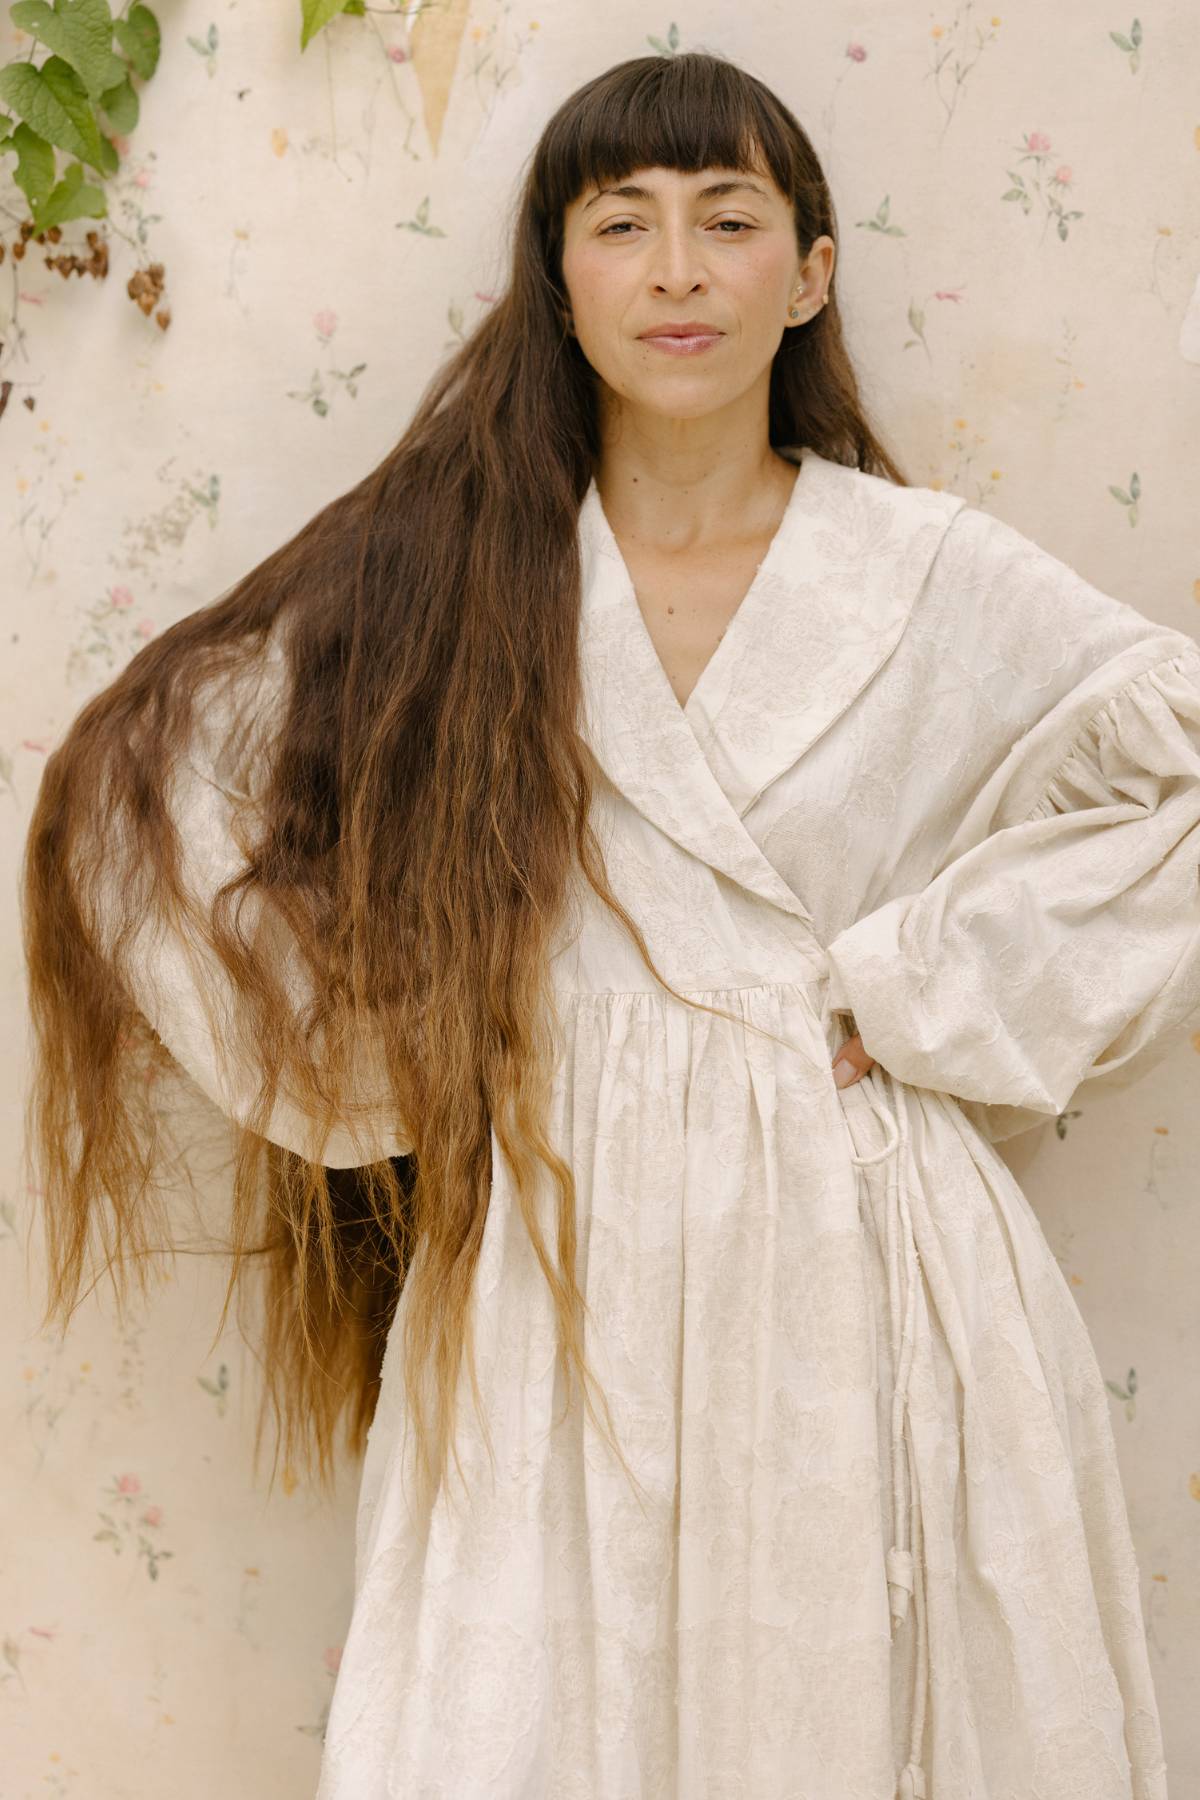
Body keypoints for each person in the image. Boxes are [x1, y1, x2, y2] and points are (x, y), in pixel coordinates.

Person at [20, 48, 1195, 1800]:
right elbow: (160, 780)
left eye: (729, 222)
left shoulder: (926, 572)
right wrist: (397, 1050)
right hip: (550, 1252)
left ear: (806, 274)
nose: (676, 270)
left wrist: (920, 987)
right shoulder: (460, 573)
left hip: (864, 1250)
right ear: (556, 281)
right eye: (622, 224)